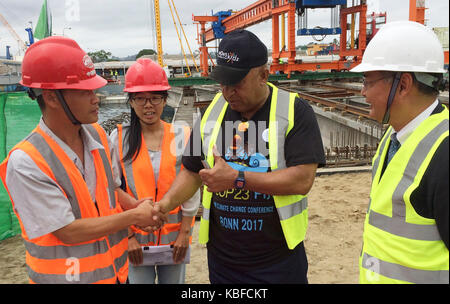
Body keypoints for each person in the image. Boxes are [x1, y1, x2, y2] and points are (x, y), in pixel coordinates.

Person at [157, 29, 326, 284]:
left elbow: (302, 180)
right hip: (223, 262)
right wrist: (164, 205)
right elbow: (192, 171)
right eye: (222, 83)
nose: (227, 92)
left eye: (236, 83)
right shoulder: (212, 112)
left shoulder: (294, 111)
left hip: (278, 262)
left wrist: (237, 179)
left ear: (263, 75)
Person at [0, 36, 165, 284]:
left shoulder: (96, 134)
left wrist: (134, 205)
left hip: (117, 274)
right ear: (52, 98)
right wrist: (134, 217)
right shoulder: (27, 162)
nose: (96, 98)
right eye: (85, 91)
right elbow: (67, 231)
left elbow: (110, 189)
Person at [350, 21, 449, 284]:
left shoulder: (444, 154)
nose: (362, 92)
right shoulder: (396, 135)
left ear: (403, 85)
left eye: (368, 81)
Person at [109, 58, 200, 284]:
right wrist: (128, 237)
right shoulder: (117, 138)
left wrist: (185, 233)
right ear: (130, 101)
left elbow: (192, 188)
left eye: (155, 97)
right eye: (140, 98)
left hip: (174, 241)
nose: (148, 105)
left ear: (165, 99)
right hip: (135, 243)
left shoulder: (183, 134)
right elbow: (112, 191)